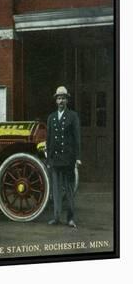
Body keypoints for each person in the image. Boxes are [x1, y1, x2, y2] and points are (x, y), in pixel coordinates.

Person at [46, 86, 81, 228]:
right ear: (56, 101)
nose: (61, 101)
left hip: (68, 159)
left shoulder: (73, 116)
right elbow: (49, 139)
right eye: (59, 98)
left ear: (67, 100)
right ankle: (56, 217)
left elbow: (77, 138)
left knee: (69, 190)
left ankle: (71, 218)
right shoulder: (51, 117)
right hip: (55, 159)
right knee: (56, 190)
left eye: (63, 98)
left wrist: (77, 158)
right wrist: (48, 159)